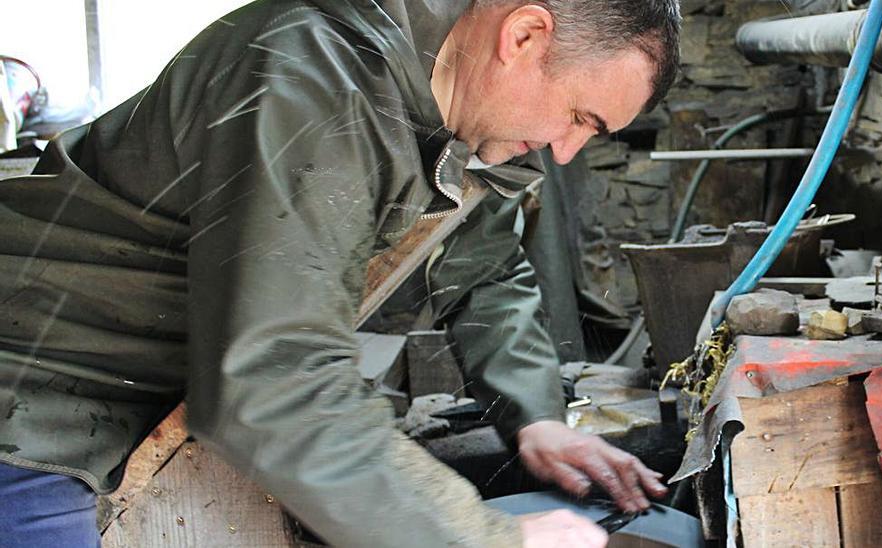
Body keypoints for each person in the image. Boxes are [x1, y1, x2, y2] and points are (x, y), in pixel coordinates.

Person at [0, 0, 681, 546]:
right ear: (526, 35)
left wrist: (536, 416)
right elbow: (278, 381)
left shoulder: (462, 115)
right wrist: (487, 537)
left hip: (156, 392)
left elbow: (483, 266)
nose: (567, 152)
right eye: (579, 117)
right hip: (36, 396)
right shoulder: (313, 75)